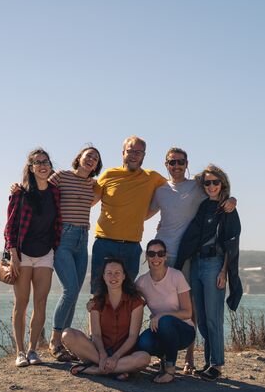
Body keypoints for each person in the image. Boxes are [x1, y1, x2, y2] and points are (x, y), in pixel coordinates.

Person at [146, 147, 237, 374]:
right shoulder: (160, 191)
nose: (176, 166)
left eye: (180, 162)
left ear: (187, 164)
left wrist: (232, 199)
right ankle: (166, 355)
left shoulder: (198, 187)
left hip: (189, 255)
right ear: (165, 164)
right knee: (161, 304)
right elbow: (144, 213)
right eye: (171, 162)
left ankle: (190, 359)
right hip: (163, 254)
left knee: (192, 308)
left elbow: (220, 191)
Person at [176, 164, 242, 381]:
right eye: (207, 182)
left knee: (214, 318)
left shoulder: (228, 208)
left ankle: (217, 364)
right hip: (196, 263)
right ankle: (208, 362)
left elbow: (231, 243)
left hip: (214, 265)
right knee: (202, 319)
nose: (211, 186)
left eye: (215, 182)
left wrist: (224, 272)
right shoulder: (203, 206)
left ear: (222, 183)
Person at [4, 148, 62, 367]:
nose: (42, 165)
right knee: (22, 302)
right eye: (37, 162)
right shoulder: (20, 193)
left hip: (45, 253)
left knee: (41, 302)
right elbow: (10, 227)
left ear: (50, 165)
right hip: (23, 254)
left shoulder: (56, 192)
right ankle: (19, 352)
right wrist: (14, 256)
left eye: (45, 161)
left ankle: (33, 350)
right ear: (30, 167)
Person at [46, 146, 102, 361]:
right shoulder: (61, 176)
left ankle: (66, 341)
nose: (91, 160)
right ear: (79, 158)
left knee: (75, 292)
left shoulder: (92, 184)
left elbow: (95, 199)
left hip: (83, 238)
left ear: (97, 165)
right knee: (69, 290)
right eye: (88, 156)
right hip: (63, 238)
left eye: (95, 159)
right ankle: (54, 340)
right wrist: (19, 188)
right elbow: (41, 190)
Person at [91, 136, 166, 291]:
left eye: (138, 152)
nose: (134, 155)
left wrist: (158, 214)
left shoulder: (152, 177)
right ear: (123, 153)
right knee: (98, 295)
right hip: (104, 244)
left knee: (127, 296)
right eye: (130, 151)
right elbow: (88, 202)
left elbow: (176, 190)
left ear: (144, 155)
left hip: (132, 247)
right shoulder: (108, 175)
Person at [62, 258, 150, 380]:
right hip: (97, 352)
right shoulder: (96, 302)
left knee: (144, 358)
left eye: (117, 273)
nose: (113, 276)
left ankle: (98, 370)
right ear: (103, 276)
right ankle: (115, 370)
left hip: (123, 354)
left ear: (124, 276)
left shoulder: (135, 301)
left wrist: (115, 357)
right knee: (68, 334)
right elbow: (96, 334)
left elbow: (132, 336)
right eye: (109, 273)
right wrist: (103, 354)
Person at [135, 239, 196, 384]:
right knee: (143, 343)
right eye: (151, 254)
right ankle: (163, 358)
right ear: (146, 257)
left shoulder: (176, 276)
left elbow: (188, 312)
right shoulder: (141, 282)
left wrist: (162, 315)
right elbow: (131, 305)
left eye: (160, 253)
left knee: (165, 321)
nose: (156, 258)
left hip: (184, 331)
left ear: (165, 256)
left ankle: (170, 369)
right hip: (160, 331)